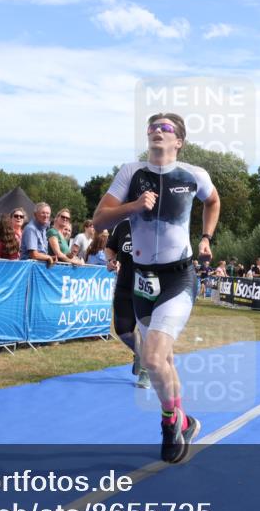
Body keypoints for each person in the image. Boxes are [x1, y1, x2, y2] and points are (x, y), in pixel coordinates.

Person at [93, 112, 220, 463]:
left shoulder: (194, 175)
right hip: (143, 280)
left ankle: (169, 423)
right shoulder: (131, 173)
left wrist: (206, 238)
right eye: (152, 128)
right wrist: (133, 206)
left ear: (178, 140)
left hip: (178, 277)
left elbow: (213, 201)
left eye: (165, 129)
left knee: (150, 358)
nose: (156, 132)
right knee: (163, 359)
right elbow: (99, 219)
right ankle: (184, 419)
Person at [106, 218, 150, 388]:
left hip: (148, 285)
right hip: (124, 284)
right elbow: (110, 247)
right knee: (122, 330)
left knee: (145, 329)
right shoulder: (122, 225)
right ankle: (140, 354)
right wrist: (110, 260)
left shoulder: (156, 224)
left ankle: (146, 371)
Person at [21, 202, 55, 266]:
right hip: (28, 269)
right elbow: (34, 255)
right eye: (43, 213)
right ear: (35, 214)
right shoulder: (31, 229)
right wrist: (48, 257)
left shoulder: (44, 229)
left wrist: (50, 257)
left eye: (48, 213)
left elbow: (41, 253)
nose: (46, 216)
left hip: (38, 268)